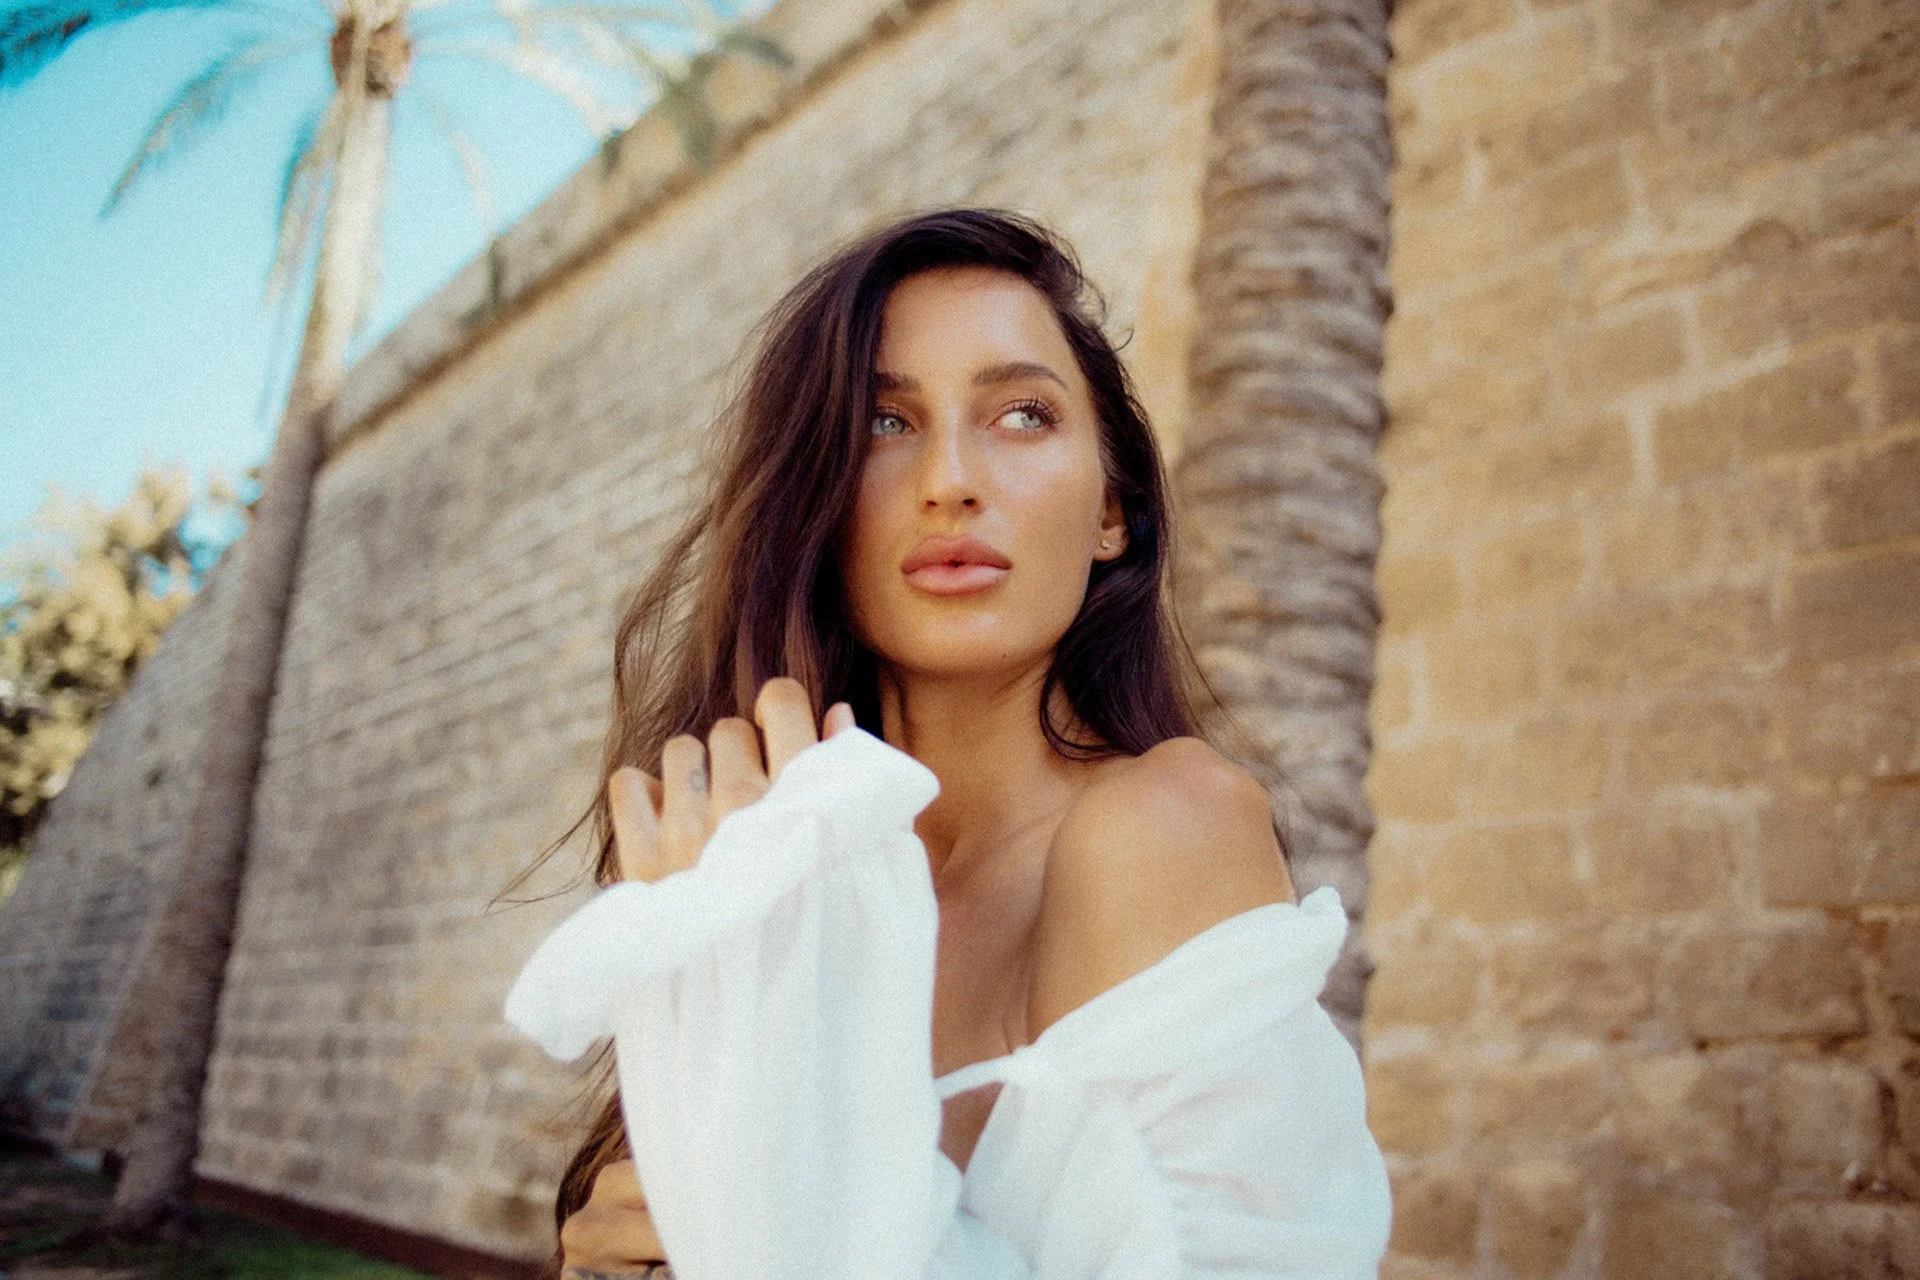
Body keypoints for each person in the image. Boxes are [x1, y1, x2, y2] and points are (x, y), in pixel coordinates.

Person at [501, 208, 1391, 1279]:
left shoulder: (1165, 824)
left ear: (1113, 511)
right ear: (818, 506)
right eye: (886, 423)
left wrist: (762, 1215)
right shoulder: (765, 860)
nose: (952, 479)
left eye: (1022, 414)